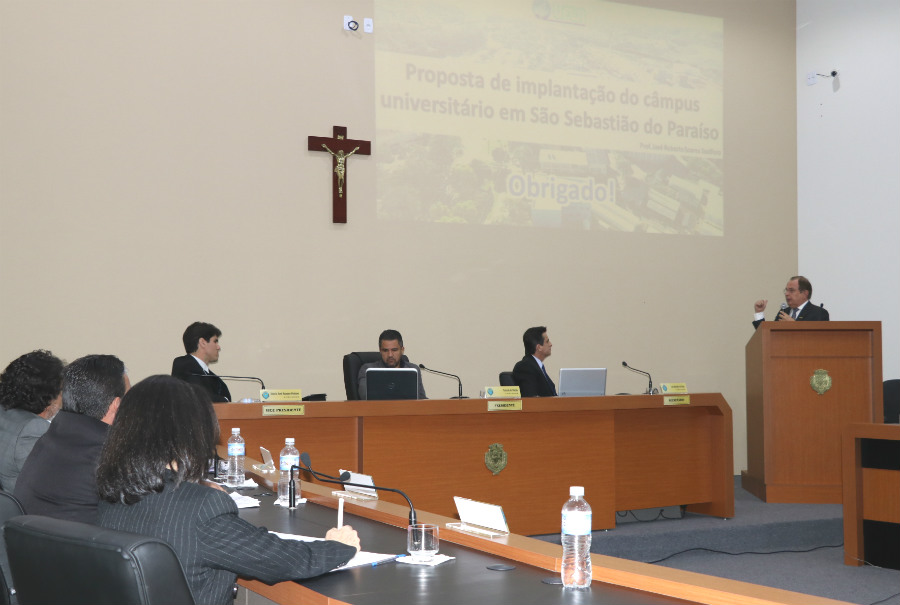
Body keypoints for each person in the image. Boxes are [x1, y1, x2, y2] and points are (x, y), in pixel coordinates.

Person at [96, 376, 360, 605]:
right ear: (192, 434)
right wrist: (337, 547)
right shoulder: (201, 509)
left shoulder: (111, 493)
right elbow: (278, 559)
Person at [15, 354, 128, 523]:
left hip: (29, 544)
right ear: (116, 405)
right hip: (78, 545)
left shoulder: (53, 436)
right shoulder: (110, 453)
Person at [0, 350, 64, 492]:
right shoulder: (33, 428)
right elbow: (51, 482)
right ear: (47, 396)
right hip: (20, 510)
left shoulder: (4, 412)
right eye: (60, 390)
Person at [357, 329, 426, 400]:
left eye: (394, 350)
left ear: (402, 350)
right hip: (378, 409)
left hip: (408, 410)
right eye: (385, 350)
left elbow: (422, 399)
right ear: (380, 351)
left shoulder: (412, 369)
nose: (390, 355)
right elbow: (365, 396)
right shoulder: (367, 370)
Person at [172, 321, 231, 402]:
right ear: (203, 342)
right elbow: (198, 396)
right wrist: (224, 400)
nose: (218, 347)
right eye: (215, 341)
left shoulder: (215, 379)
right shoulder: (183, 364)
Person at [752, 275, 830, 330]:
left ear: (805, 293)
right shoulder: (784, 312)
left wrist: (794, 325)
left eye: (791, 290)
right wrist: (759, 313)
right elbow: (767, 335)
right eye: (786, 290)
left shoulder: (819, 313)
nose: (786, 294)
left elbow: (818, 339)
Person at [512, 326, 557, 397]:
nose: (550, 344)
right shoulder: (525, 367)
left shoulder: (537, 366)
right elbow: (531, 398)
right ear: (539, 347)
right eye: (547, 341)